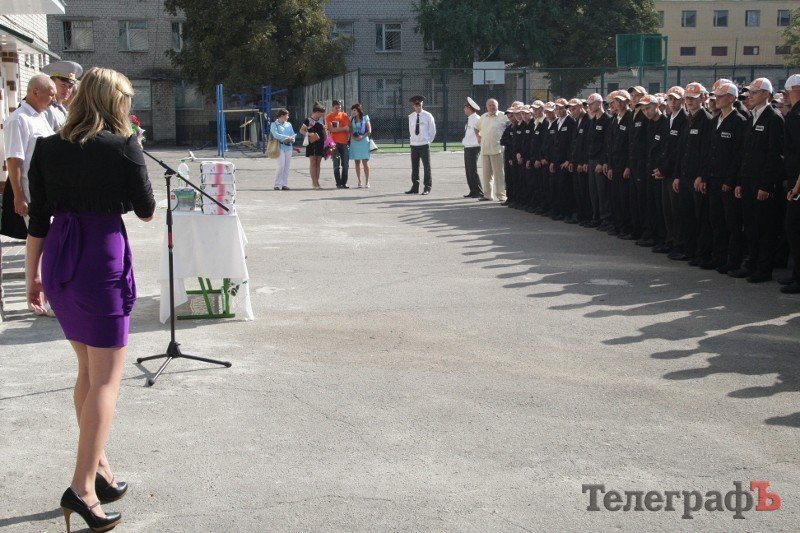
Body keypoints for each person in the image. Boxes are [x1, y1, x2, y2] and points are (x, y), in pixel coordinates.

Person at [25, 66, 155, 533]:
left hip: (60, 253)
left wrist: (31, 277)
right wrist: (132, 149)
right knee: (105, 379)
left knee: (87, 368)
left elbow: (37, 217)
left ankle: (98, 467)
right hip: (99, 255)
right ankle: (81, 488)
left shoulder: (46, 147)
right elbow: (145, 210)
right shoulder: (123, 146)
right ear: (115, 103)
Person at [2, 74, 56, 314]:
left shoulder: (41, 118)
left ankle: (48, 296)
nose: (54, 99)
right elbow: (14, 160)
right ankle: (38, 299)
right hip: (31, 193)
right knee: (38, 246)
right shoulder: (19, 120)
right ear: (35, 92)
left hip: (46, 193)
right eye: (51, 93)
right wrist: (18, 195)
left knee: (49, 246)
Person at [731, 77, 785, 282]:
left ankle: (763, 268)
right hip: (747, 180)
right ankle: (752, 263)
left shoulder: (774, 118)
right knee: (751, 225)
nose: (750, 96)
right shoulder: (752, 117)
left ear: (766, 94)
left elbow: (774, 155)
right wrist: (739, 181)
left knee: (764, 228)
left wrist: (766, 184)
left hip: (762, 183)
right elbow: (744, 153)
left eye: (754, 92)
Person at [780, 74, 800, 294]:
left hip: (798, 182)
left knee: (793, 227)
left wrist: (796, 186)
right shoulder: (794, 114)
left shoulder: (797, 115)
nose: (784, 96)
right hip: (794, 179)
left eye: (787, 92)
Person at [475, 98, 508, 202]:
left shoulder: (504, 116)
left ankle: (501, 195)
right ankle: (488, 195)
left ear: (497, 106)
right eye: (490, 105)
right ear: (486, 106)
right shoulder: (483, 117)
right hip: (485, 149)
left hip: (497, 149)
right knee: (486, 175)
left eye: (494, 105)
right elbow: (476, 127)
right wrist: (478, 137)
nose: (492, 107)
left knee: (499, 174)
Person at [41, 60, 83, 131]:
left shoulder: (63, 109)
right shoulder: (46, 109)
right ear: (52, 83)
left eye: (70, 86)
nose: (67, 90)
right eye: (63, 85)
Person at [406, 95, 436, 195]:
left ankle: (427, 187)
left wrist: (427, 141)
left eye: (419, 105)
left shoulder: (428, 116)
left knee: (427, 167)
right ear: (413, 106)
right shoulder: (411, 116)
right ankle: (415, 187)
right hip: (414, 145)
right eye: (416, 105)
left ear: (422, 104)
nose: (418, 107)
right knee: (415, 167)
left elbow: (432, 131)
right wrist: (413, 140)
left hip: (424, 145)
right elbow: (411, 131)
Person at [299, 102, 326, 189]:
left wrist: (327, 141)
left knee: (318, 163)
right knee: (313, 162)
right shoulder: (308, 120)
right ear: (317, 112)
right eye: (321, 113)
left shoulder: (322, 120)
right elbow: (301, 131)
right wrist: (310, 134)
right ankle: (314, 183)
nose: (322, 115)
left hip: (321, 143)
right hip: (312, 143)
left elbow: (324, 132)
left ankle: (317, 182)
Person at [325, 99, 351, 188]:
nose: (338, 109)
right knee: (336, 164)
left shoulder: (344, 115)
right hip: (334, 144)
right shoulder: (329, 117)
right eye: (336, 108)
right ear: (332, 108)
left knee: (345, 164)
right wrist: (343, 128)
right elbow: (331, 129)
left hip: (344, 143)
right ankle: (338, 183)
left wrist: (340, 129)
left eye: (339, 108)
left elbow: (348, 128)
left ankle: (344, 182)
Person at [270, 108, 297, 190]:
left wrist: (292, 139)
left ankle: (284, 184)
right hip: (279, 147)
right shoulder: (274, 124)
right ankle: (277, 184)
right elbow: (275, 135)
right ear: (281, 116)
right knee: (281, 165)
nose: (288, 117)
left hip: (289, 147)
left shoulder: (289, 124)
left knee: (287, 166)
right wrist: (286, 138)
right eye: (287, 115)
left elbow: (292, 133)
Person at [462, 97, 483, 198]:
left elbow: (481, 132)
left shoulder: (476, 118)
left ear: (469, 108)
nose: (464, 109)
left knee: (472, 170)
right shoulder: (470, 118)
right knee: (468, 170)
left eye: (465, 107)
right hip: (468, 147)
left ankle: (478, 191)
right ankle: (472, 190)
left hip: (474, 147)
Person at [349, 103, 372, 188]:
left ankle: (367, 181)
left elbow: (369, 130)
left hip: (363, 142)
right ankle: (359, 181)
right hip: (354, 142)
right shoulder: (351, 119)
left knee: (365, 162)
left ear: (359, 110)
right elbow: (350, 130)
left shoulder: (365, 118)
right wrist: (353, 138)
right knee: (357, 162)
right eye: (352, 110)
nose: (353, 112)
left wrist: (362, 137)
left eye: (354, 110)